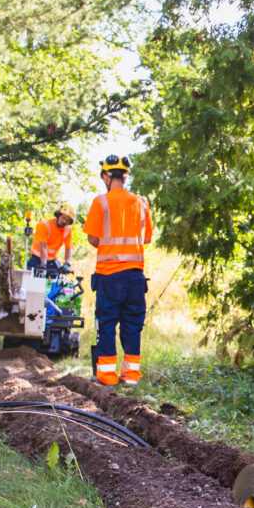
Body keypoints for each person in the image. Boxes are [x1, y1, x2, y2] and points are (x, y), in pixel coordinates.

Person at [82, 155, 153, 385]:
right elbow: (147, 238)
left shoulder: (100, 202)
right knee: (132, 325)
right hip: (134, 276)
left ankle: (107, 376)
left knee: (107, 324)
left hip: (109, 276)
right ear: (125, 176)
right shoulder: (142, 203)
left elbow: (93, 238)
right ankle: (131, 376)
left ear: (105, 176)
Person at [27, 204, 75, 271]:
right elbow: (43, 247)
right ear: (58, 215)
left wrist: (67, 263)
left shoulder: (67, 230)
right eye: (63, 218)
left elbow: (68, 248)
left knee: (57, 278)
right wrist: (43, 264)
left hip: (52, 261)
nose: (64, 222)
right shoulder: (44, 225)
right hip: (37, 259)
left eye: (67, 220)